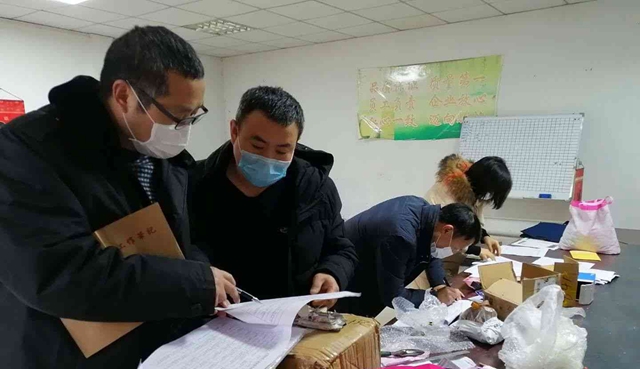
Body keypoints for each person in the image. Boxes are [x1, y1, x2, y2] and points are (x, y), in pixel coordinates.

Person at [0, 27, 238, 369]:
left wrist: (203, 272)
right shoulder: (27, 153)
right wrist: (193, 283)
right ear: (124, 95)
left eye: (194, 116)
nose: (184, 130)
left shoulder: (156, 149)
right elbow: (61, 274)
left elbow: (172, 242)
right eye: (176, 116)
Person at [190, 86, 357, 308]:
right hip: (216, 319)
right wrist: (201, 274)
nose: (268, 158)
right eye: (257, 146)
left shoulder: (315, 188)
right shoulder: (193, 184)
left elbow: (341, 248)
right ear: (234, 131)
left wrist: (332, 273)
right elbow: (176, 251)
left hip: (293, 319)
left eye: (282, 151)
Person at [338, 197, 481, 318]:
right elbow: (393, 296)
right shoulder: (401, 237)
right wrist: (435, 298)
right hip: (347, 275)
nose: (455, 252)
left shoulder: (426, 212)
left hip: (362, 262)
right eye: (456, 248)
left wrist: (440, 285)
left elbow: (432, 252)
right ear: (447, 230)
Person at [425, 154, 512, 261]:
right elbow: (451, 234)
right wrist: (477, 250)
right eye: (489, 192)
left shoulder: (473, 190)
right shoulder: (447, 190)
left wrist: (485, 237)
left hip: (449, 248)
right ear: (484, 185)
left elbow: (470, 221)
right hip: (434, 249)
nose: (487, 197)